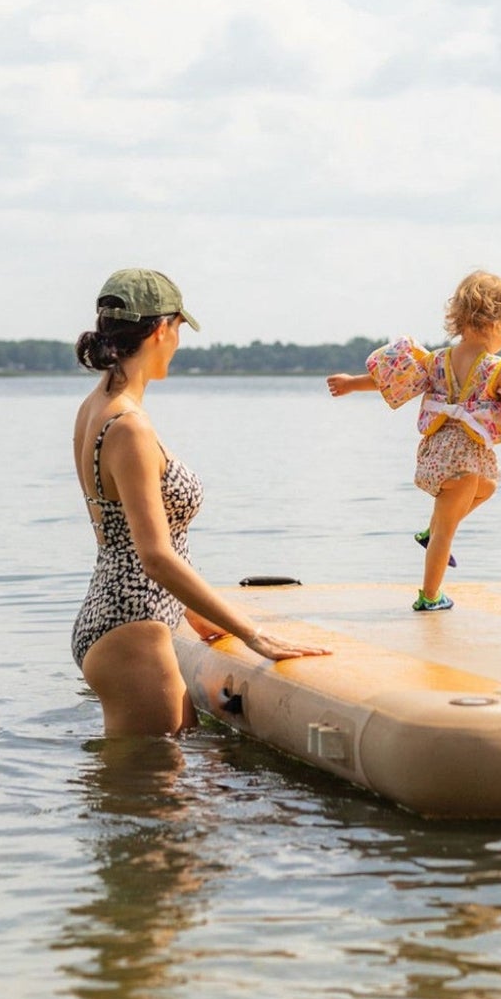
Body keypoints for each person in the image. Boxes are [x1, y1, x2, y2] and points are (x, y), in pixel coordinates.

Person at [71, 268, 329, 736]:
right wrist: (253, 634)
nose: (178, 343)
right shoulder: (129, 425)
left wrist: (198, 616)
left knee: (153, 792)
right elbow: (153, 556)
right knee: (153, 797)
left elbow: (123, 539)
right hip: (134, 630)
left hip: (115, 618)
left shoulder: (94, 407)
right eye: (178, 330)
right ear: (160, 329)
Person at [327, 270, 501, 612]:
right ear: (496, 324)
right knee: (447, 531)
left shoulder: (437, 360)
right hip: (465, 458)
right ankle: (429, 595)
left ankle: (430, 532)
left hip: (437, 451)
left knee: (488, 488)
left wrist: (351, 383)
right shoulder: (500, 368)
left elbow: (393, 381)